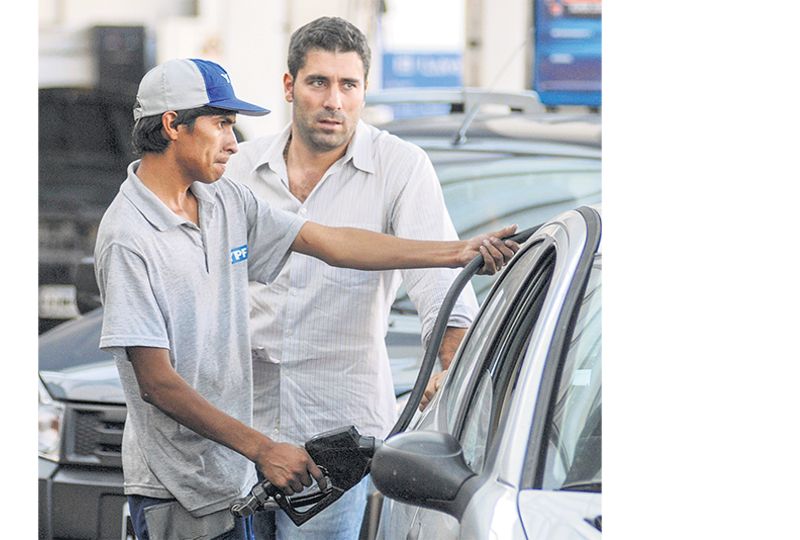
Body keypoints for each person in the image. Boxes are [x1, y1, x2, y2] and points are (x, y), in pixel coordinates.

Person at [95, 58, 519, 540]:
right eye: (222, 124)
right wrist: (263, 448)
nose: (234, 143)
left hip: (232, 473)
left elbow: (328, 242)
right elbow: (157, 383)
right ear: (173, 124)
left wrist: (456, 252)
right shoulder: (129, 236)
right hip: (178, 488)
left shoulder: (224, 201)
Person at [224, 17, 519, 540]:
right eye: (318, 82)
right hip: (236, 428)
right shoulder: (239, 169)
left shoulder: (400, 167)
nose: (334, 100)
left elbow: (439, 292)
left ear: (364, 90)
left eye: (349, 85)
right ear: (289, 85)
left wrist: (451, 372)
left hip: (334, 439)